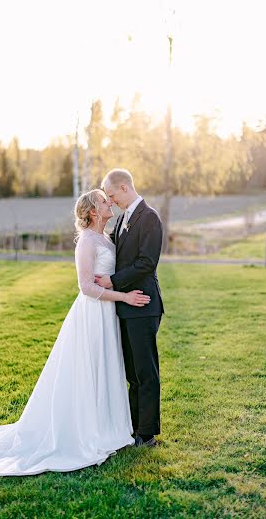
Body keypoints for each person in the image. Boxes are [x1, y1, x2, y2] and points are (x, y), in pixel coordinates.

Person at [0, 189, 151, 476]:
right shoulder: (86, 241)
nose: (109, 201)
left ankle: (109, 426)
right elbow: (86, 287)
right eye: (102, 200)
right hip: (93, 314)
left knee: (107, 368)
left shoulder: (106, 237)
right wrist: (124, 297)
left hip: (108, 316)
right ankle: (87, 431)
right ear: (93, 211)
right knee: (90, 369)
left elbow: (109, 276)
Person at [97, 169, 164, 448]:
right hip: (126, 305)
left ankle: (147, 434)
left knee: (145, 372)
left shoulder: (149, 218)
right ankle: (135, 427)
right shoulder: (124, 217)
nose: (110, 201)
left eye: (111, 195)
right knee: (132, 373)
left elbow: (146, 263)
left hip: (143, 304)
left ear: (124, 187)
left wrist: (113, 281)